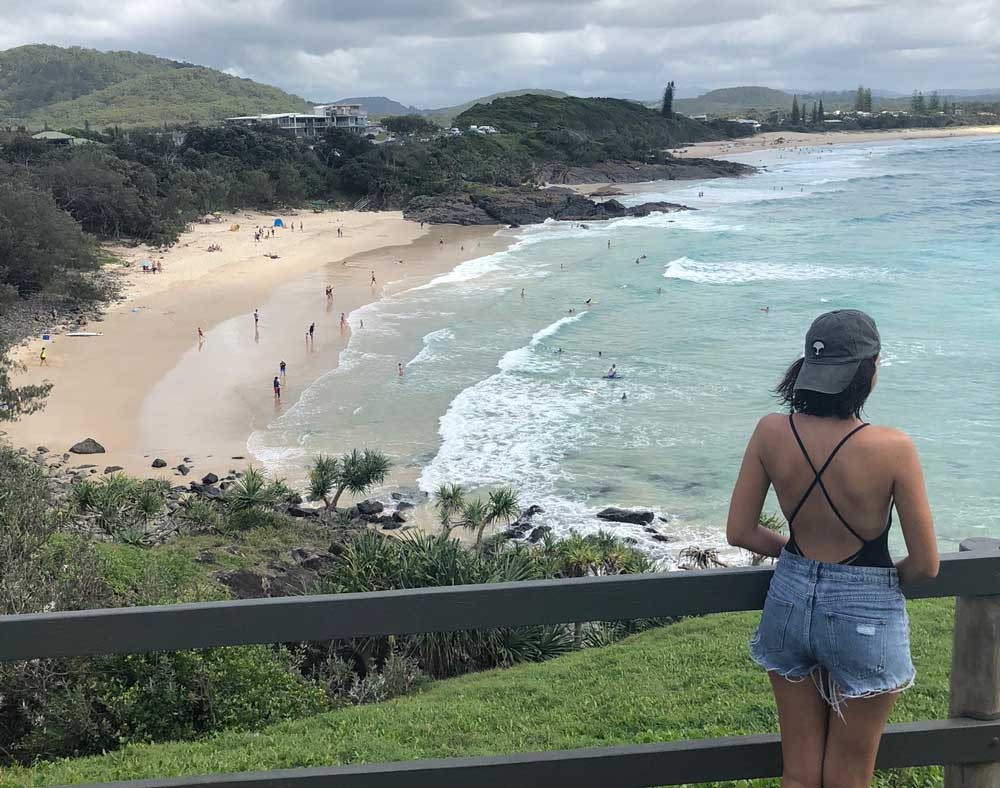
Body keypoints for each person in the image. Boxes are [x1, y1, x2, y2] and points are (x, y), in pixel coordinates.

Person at [725, 309, 938, 788]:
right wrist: (872, 580)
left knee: (799, 774)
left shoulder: (770, 432)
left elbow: (740, 532)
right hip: (866, 611)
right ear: (869, 371)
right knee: (849, 777)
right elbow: (926, 563)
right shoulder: (892, 447)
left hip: (789, 598)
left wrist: (799, 560)